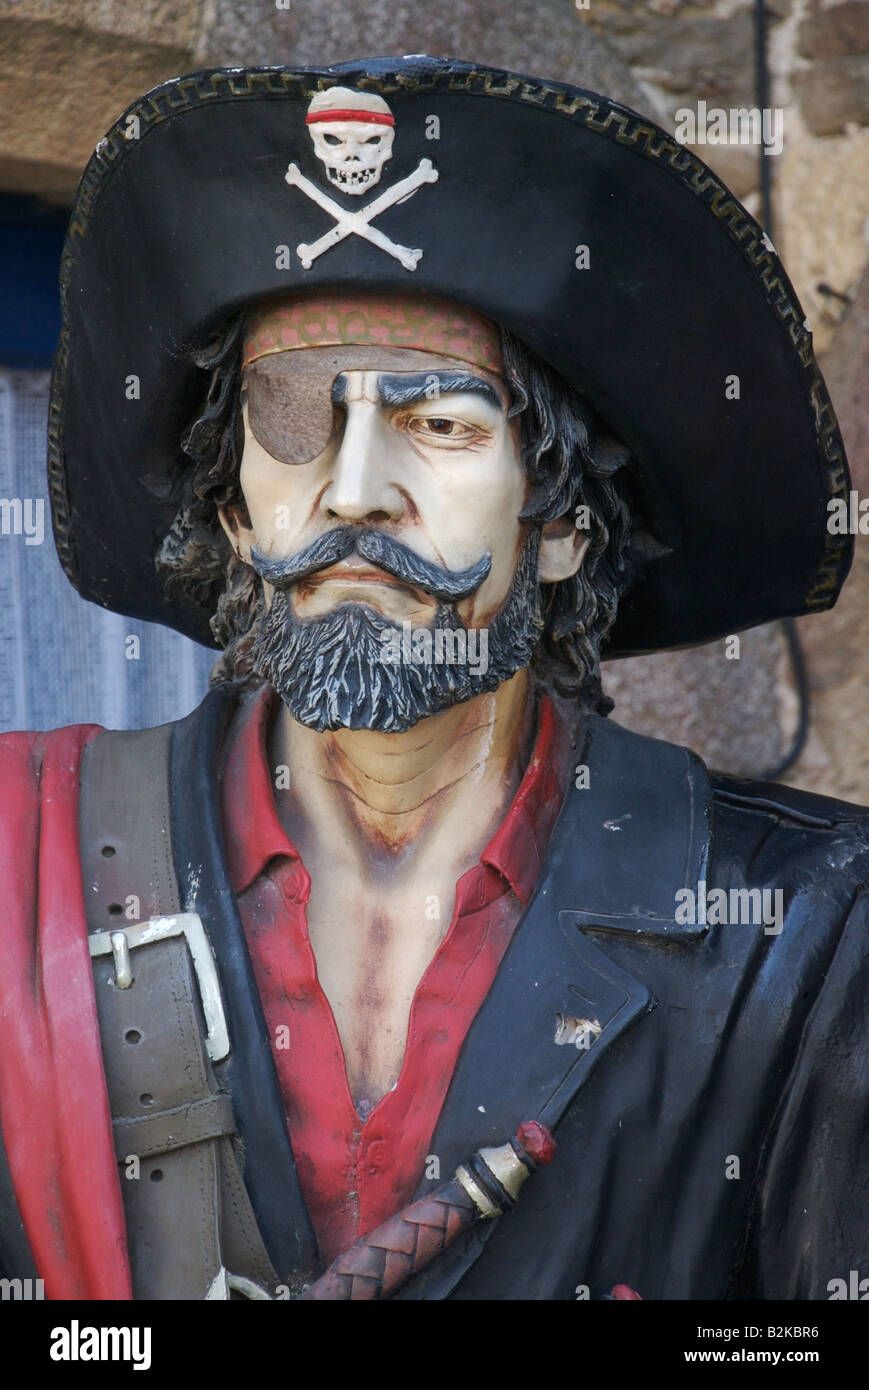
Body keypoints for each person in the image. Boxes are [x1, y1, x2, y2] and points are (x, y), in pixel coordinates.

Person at [0, 55, 865, 1302]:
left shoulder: (805, 934)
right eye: (291, 419)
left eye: (441, 422)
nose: (351, 489)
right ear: (234, 514)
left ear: (562, 524)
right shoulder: (24, 859)